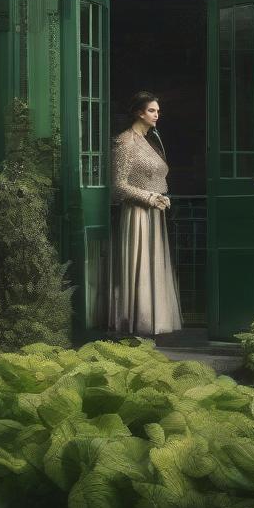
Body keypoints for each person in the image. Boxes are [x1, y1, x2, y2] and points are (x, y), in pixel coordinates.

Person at [109, 91, 184, 337]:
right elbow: (118, 184)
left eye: (158, 111)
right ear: (139, 112)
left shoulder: (151, 139)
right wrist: (149, 197)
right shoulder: (125, 141)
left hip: (156, 213)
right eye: (152, 110)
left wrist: (160, 197)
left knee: (154, 263)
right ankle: (138, 321)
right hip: (138, 214)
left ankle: (154, 320)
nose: (157, 115)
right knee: (140, 264)